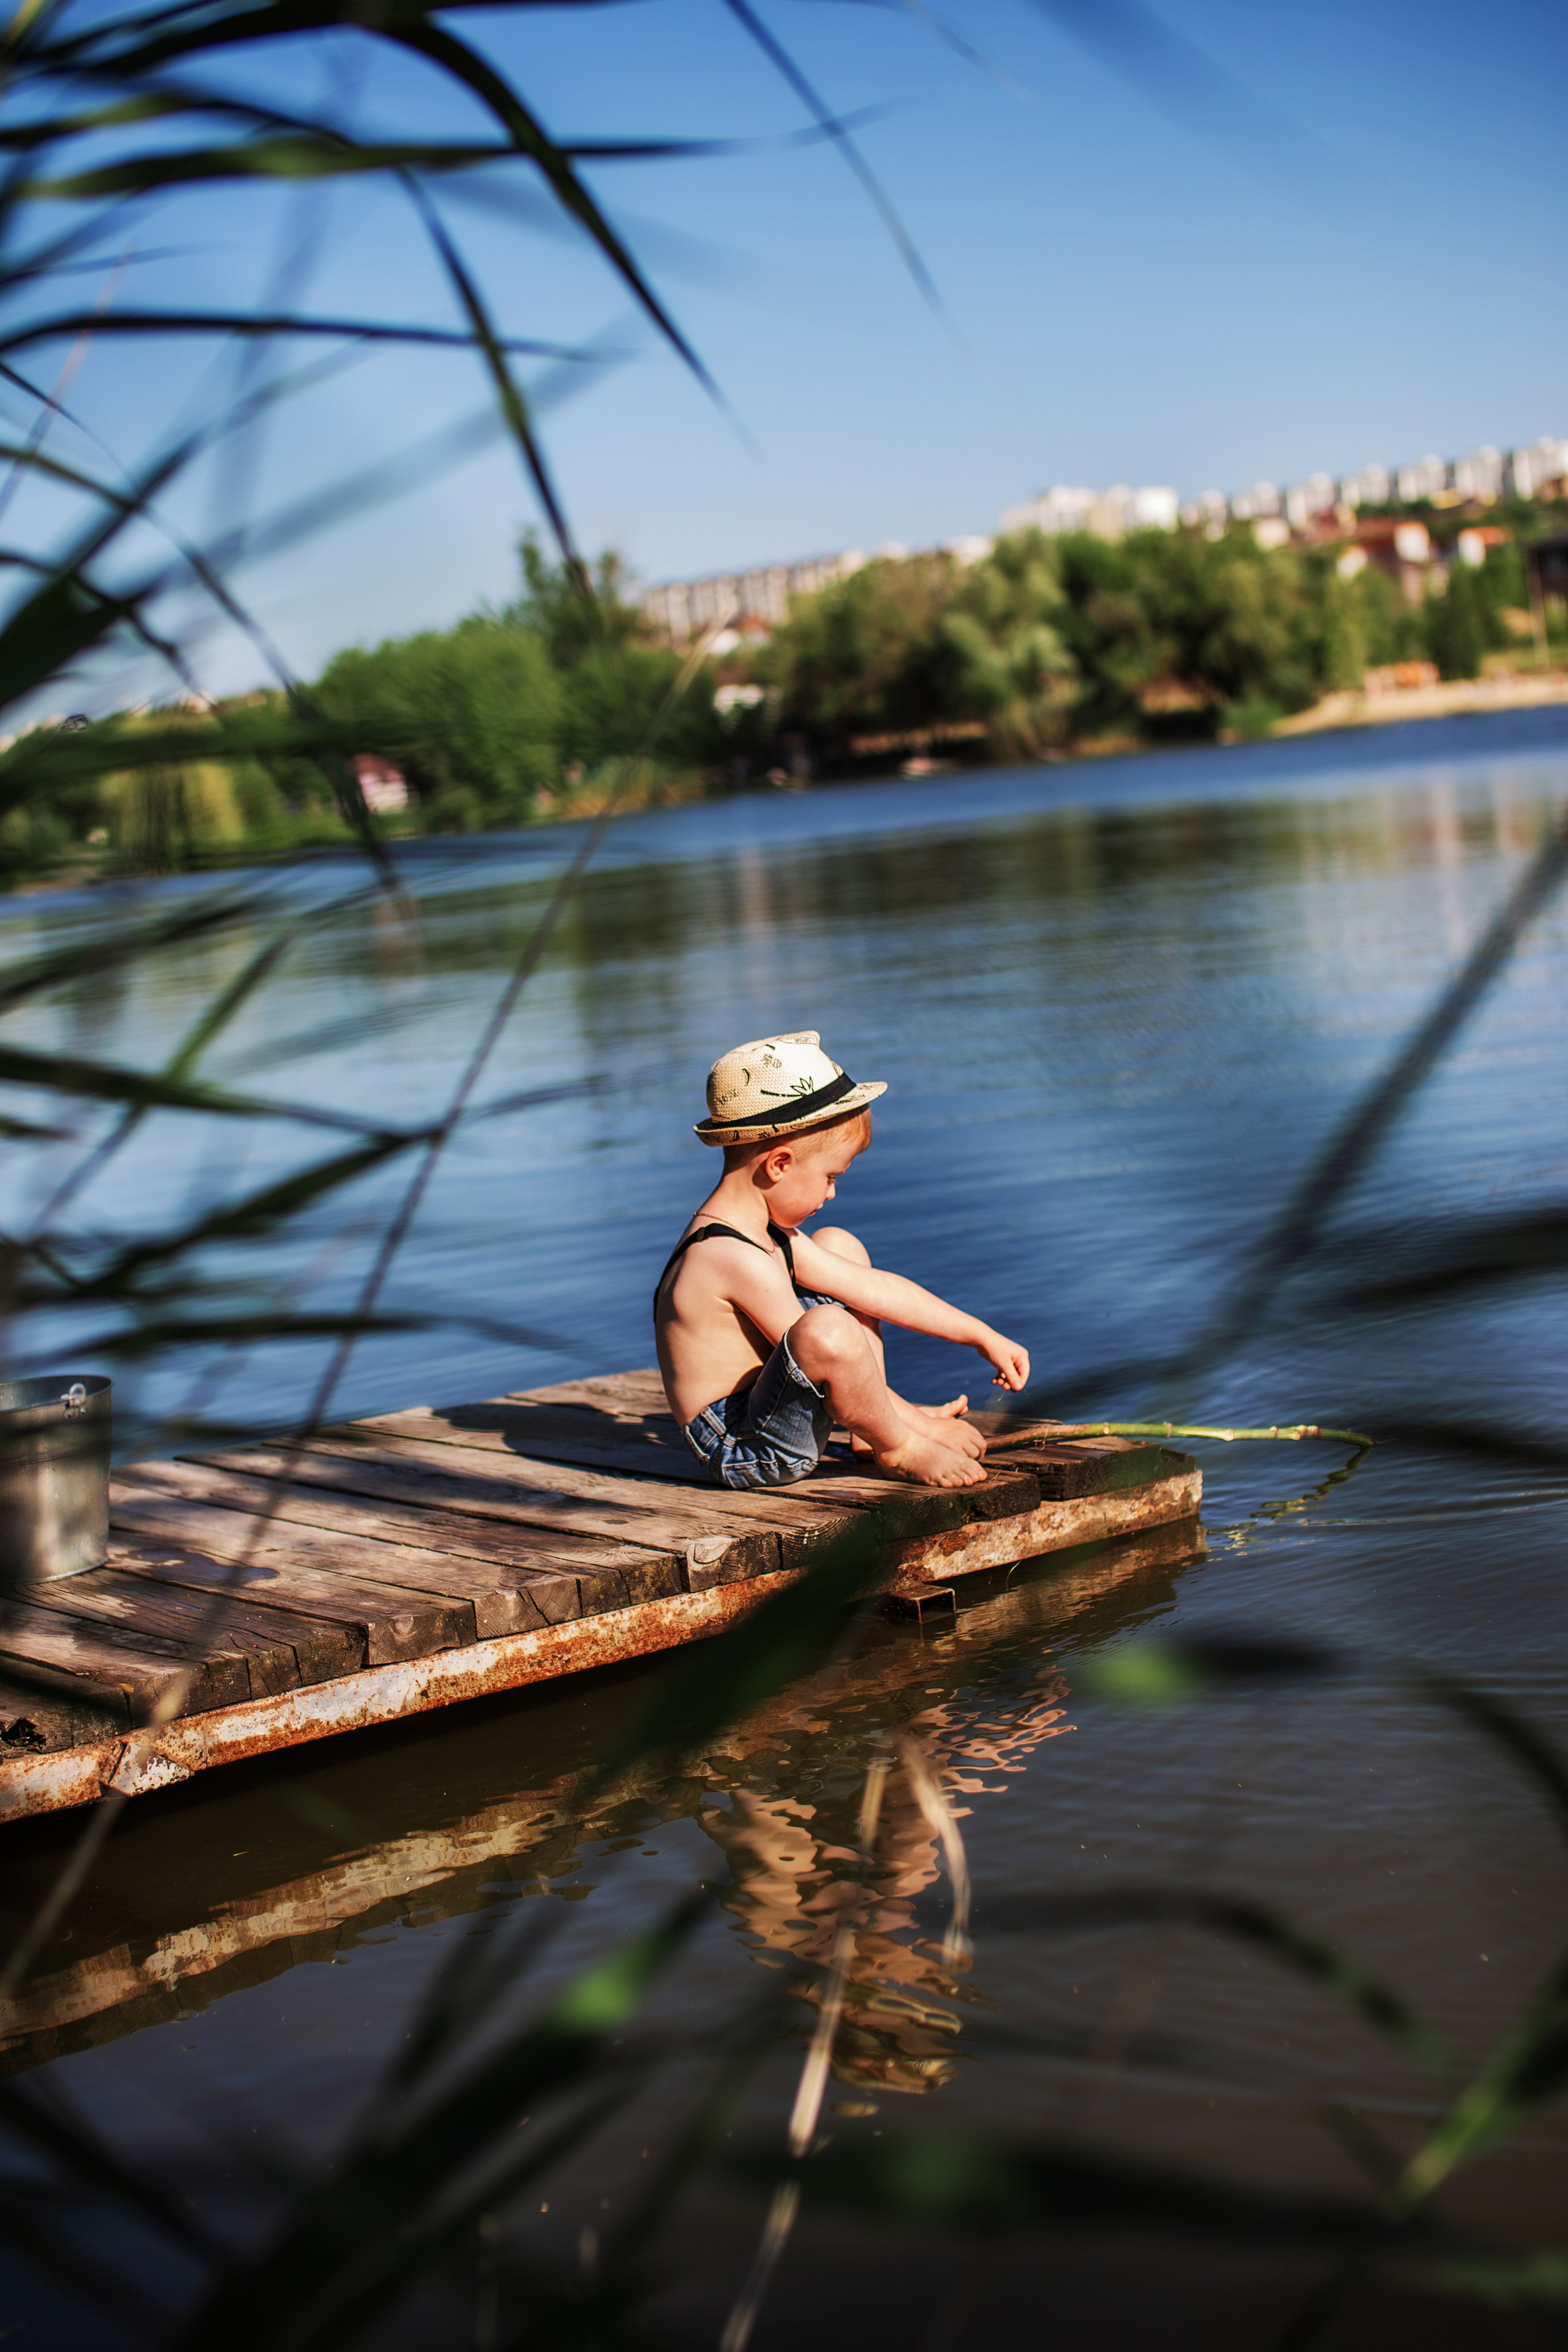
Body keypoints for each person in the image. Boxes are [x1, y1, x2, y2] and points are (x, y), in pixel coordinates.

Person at [654, 1031, 1030, 1491]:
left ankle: (868, 1429)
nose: (832, 1193)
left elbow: (877, 1291)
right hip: (747, 1445)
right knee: (827, 1327)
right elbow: (829, 1347)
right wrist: (917, 1429)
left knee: (839, 1246)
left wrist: (980, 1334)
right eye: (830, 1177)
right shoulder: (728, 1255)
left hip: (771, 1407)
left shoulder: (769, 1234)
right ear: (779, 1164)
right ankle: (896, 1445)